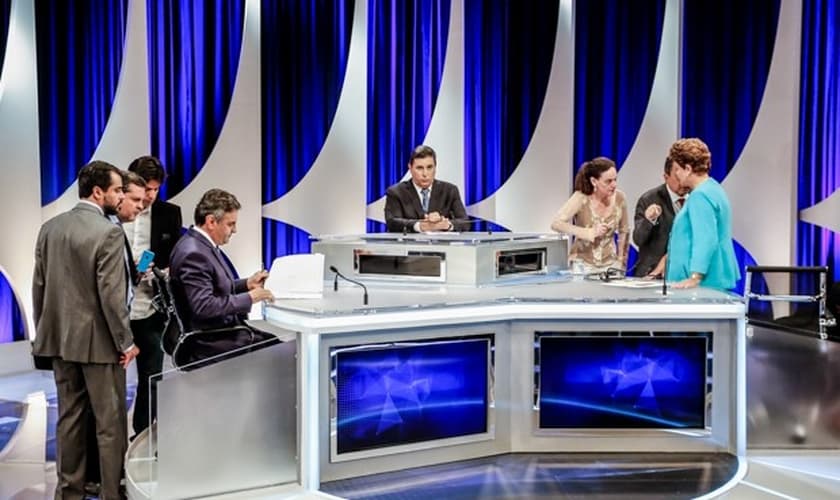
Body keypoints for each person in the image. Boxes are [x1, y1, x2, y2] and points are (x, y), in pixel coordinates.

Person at [32, 161, 140, 500]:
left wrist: (45, 333)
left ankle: (69, 493)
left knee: (69, 420)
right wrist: (126, 342)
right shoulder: (109, 232)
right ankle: (111, 494)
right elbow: (111, 296)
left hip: (59, 342)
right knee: (110, 425)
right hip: (100, 345)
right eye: (118, 190)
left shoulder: (50, 228)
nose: (121, 196)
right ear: (97, 192)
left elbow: (39, 287)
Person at [169, 189, 275, 365]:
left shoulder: (198, 245)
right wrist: (250, 298)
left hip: (219, 333)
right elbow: (204, 306)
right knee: (283, 351)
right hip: (211, 341)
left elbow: (214, 287)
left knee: (277, 344)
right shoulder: (194, 254)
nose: (235, 230)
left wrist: (246, 284)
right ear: (211, 221)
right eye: (231, 224)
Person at [124, 156, 182, 437]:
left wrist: (157, 269)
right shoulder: (113, 213)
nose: (149, 196)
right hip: (116, 309)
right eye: (146, 188)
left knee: (152, 375)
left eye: (155, 190)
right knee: (111, 379)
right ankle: (110, 441)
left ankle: (143, 435)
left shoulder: (169, 214)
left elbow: (174, 257)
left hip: (151, 306)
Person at [665, 138, 740, 290]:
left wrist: (695, 277)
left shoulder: (700, 196)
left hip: (704, 284)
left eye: (677, 169)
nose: (676, 174)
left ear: (687, 169)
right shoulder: (713, 188)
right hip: (712, 279)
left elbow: (706, 238)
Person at [550, 157, 630, 273]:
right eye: (608, 181)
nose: (614, 185)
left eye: (615, 180)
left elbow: (624, 230)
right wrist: (588, 232)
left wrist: (621, 261)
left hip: (610, 265)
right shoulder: (581, 198)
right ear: (594, 181)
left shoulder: (620, 198)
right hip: (582, 265)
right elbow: (556, 224)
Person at [384, 145, 469, 232]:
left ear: (435, 167)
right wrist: (420, 226)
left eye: (429, 167)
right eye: (419, 168)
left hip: (440, 241)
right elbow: (392, 222)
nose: (425, 174)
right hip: (409, 241)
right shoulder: (396, 192)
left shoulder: (450, 190)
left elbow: (465, 222)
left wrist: (447, 224)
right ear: (410, 168)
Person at [632, 158, 691, 277]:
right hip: (653, 275)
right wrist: (649, 220)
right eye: (678, 177)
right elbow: (638, 239)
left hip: (686, 275)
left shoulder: (698, 198)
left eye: (686, 175)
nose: (683, 182)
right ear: (666, 177)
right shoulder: (649, 199)